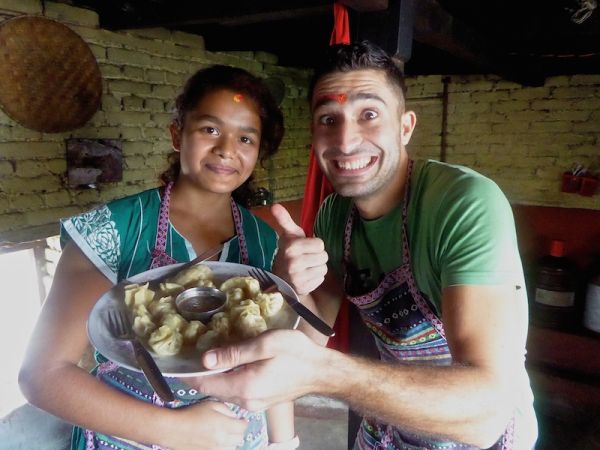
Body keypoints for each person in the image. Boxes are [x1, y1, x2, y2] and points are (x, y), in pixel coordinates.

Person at [191, 41, 539, 450]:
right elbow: (310, 334)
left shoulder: (462, 203)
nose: (346, 140)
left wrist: (324, 373)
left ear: (405, 126)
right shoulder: (334, 216)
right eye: (328, 119)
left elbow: (486, 417)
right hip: (389, 424)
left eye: (369, 115)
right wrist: (291, 288)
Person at [19, 65, 298, 450]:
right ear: (176, 134)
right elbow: (42, 375)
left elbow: (273, 355)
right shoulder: (114, 229)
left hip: (237, 436)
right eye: (210, 129)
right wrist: (174, 431)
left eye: (246, 138)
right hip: (127, 438)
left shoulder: (263, 240)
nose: (227, 149)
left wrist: (284, 443)